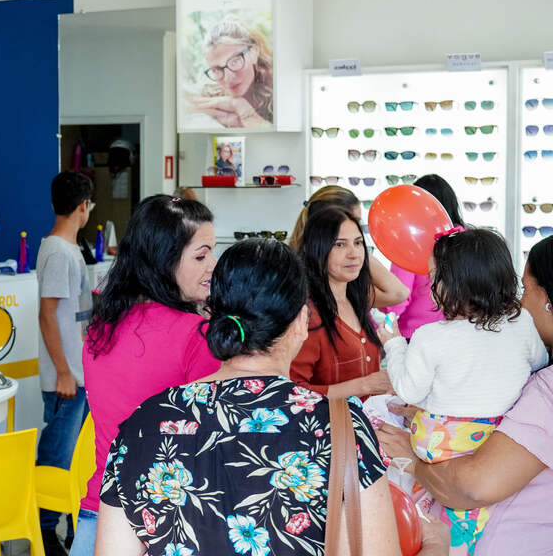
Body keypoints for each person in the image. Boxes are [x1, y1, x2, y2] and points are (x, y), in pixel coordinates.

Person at [95, 238, 450, 556]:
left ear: (213, 314)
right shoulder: (339, 425)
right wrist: (435, 545)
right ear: (300, 321)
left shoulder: (145, 424)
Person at [378, 235, 553, 555]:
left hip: (438, 440)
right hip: (489, 434)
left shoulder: (430, 337)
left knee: (401, 483)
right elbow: (537, 363)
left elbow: (407, 389)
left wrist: (393, 343)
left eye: (433, 279)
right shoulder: (522, 325)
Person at [71, 195, 222, 556]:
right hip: (163, 522)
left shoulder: (100, 329)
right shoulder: (195, 336)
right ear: (164, 259)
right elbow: (210, 441)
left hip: (97, 513)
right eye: (201, 256)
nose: (213, 266)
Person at [36, 172, 94, 555]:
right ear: (82, 207)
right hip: (67, 379)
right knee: (56, 458)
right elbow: (47, 315)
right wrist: (62, 372)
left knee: (73, 459)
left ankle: (71, 529)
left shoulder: (69, 249)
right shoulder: (58, 252)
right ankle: (44, 532)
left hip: (77, 374)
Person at [291, 206, 392, 399]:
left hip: (367, 423)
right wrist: (364, 385)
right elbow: (294, 392)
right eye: (339, 245)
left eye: (358, 243)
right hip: (329, 426)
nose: (353, 254)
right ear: (317, 249)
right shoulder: (306, 314)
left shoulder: (357, 300)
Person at [289, 185, 410, 309]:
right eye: (340, 244)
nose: (355, 227)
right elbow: (397, 293)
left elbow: (399, 293)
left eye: (357, 242)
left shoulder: (347, 283)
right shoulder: (308, 288)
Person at [382, 175, 466, 338]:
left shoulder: (410, 242)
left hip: (416, 335)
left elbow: (399, 298)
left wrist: (386, 326)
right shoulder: (467, 240)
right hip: (460, 333)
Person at [190, 16, 273, 128]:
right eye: (217, 69)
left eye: (235, 61)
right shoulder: (211, 98)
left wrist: (245, 112)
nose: (228, 78)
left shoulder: (280, 94)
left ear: (254, 53)